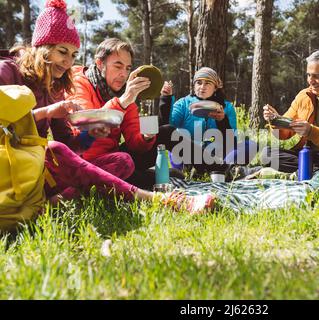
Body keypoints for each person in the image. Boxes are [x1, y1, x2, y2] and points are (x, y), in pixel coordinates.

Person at [0, 0, 214, 213]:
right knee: (55, 150)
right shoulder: (19, 73)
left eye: (73, 55)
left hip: (43, 168)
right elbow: (76, 130)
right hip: (10, 165)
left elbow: (76, 145)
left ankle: (54, 203)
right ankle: (160, 200)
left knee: (129, 157)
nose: (67, 62)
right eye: (62, 51)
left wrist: (99, 134)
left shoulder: (57, 86)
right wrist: (47, 112)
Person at [66, 38, 187, 190]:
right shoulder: (78, 83)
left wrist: (146, 137)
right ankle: (155, 176)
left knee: (167, 131)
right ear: (99, 64)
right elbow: (85, 125)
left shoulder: (126, 94)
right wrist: (122, 101)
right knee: (125, 169)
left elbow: (134, 143)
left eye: (128, 68)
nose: (124, 74)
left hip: (116, 156)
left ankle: (216, 167)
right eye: (118, 66)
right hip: (87, 161)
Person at [159, 67, 258, 176]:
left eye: (207, 83)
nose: (202, 87)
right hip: (189, 153)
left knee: (250, 145)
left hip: (217, 154)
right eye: (199, 83)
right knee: (176, 145)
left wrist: (222, 121)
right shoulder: (182, 104)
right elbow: (167, 127)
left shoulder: (227, 107)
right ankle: (223, 170)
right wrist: (166, 99)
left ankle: (220, 168)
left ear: (215, 87)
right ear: (194, 85)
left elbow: (231, 142)